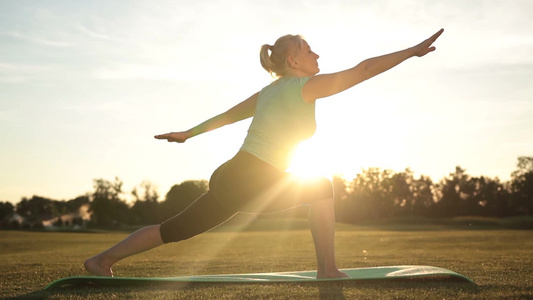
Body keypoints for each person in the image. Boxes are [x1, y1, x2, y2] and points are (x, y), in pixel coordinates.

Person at [84, 28, 444, 278]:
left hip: (234, 175)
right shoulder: (304, 87)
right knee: (320, 187)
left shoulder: (268, 93)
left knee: (175, 229)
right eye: (309, 51)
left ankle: (102, 260)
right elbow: (364, 69)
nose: (317, 55)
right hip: (252, 176)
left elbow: (226, 116)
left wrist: (188, 134)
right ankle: (327, 269)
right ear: (292, 62)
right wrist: (411, 52)